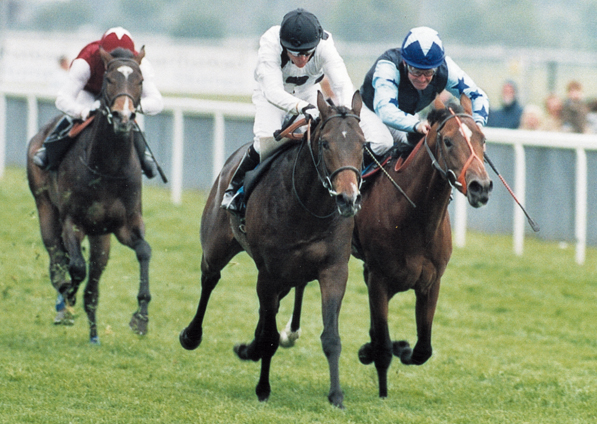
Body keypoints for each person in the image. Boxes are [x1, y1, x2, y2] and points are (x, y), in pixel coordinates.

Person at [221, 8, 355, 212]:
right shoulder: (270, 42)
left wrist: (345, 113)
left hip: (309, 91)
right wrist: (302, 107)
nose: (301, 60)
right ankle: (234, 189)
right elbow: (273, 91)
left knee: (332, 138)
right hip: (272, 96)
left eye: (307, 54)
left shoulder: (326, 44)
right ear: (284, 45)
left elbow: (342, 84)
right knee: (264, 144)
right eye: (295, 53)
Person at [33, 27, 164, 178]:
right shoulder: (86, 59)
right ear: (102, 54)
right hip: (89, 93)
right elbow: (63, 99)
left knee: (126, 117)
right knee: (76, 116)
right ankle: (48, 148)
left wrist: (132, 107)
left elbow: (157, 102)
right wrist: (83, 112)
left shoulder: (140, 64)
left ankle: (145, 155)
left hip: (119, 96)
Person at [359, 26, 489, 159]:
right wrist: (416, 124)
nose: (422, 79)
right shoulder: (388, 66)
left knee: (422, 149)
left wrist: (477, 126)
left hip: (404, 114)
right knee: (383, 143)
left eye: (428, 72)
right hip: (370, 110)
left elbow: (477, 95)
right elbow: (386, 111)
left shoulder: (446, 69)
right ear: (405, 62)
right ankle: (355, 178)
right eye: (416, 71)